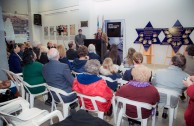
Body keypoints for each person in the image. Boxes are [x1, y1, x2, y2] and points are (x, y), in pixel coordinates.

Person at [152, 53, 189, 119]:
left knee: (157, 91)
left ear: (171, 61)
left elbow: (153, 84)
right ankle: (165, 112)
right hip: (172, 101)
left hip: (158, 98)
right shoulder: (186, 77)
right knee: (170, 94)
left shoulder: (158, 72)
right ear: (183, 64)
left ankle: (156, 111)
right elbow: (184, 88)